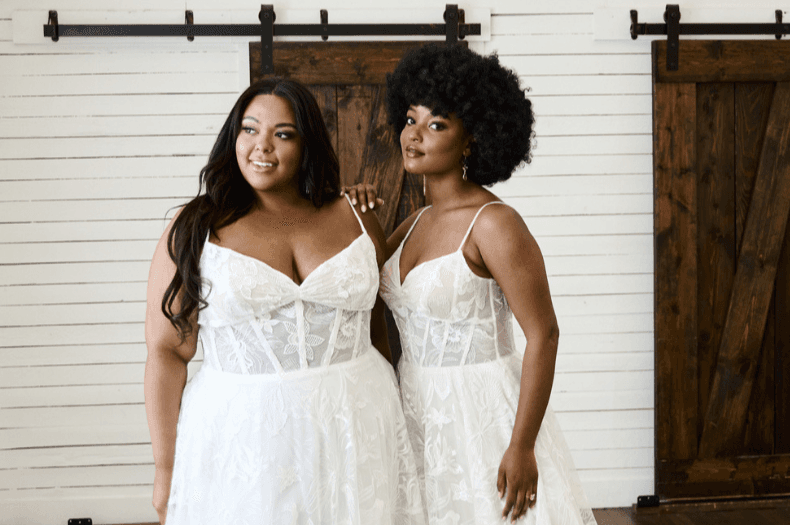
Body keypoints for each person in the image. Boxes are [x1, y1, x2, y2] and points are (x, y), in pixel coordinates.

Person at [144, 78, 424, 525]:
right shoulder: (196, 226)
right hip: (244, 438)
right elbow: (166, 352)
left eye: (283, 134)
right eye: (250, 130)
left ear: (306, 143)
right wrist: (165, 470)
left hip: (357, 427)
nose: (263, 147)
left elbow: (377, 328)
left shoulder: (354, 215)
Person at [345, 44, 597, 524]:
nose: (414, 136)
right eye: (410, 119)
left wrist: (521, 446)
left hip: (483, 414)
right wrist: (359, 214)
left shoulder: (493, 223)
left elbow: (545, 334)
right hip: (416, 410)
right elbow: (372, 292)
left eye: (436, 124)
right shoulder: (412, 225)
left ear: (472, 138)